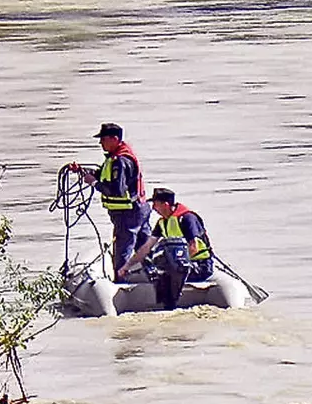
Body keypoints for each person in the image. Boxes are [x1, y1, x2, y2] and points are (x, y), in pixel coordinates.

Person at [68, 123, 151, 281]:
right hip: (138, 208)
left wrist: (93, 183)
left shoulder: (120, 161)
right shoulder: (116, 157)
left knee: (123, 249)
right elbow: (103, 175)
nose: (100, 143)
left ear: (115, 139)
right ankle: (154, 278)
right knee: (144, 246)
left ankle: (121, 283)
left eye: (103, 139)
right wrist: (82, 171)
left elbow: (117, 191)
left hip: (128, 212)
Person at [117, 187, 214, 310]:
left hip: (199, 265)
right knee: (151, 267)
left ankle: (170, 303)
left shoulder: (187, 219)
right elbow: (146, 247)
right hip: (178, 264)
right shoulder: (162, 222)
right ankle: (164, 303)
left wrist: (178, 265)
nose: (153, 208)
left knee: (169, 271)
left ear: (166, 205)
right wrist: (127, 266)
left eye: (156, 204)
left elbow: (193, 247)